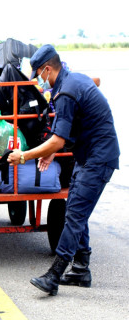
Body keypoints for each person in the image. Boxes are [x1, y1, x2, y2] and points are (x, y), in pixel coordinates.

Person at [7, 45, 119, 296]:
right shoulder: (72, 81)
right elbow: (65, 134)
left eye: (38, 74)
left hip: (98, 158)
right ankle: (80, 269)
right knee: (74, 209)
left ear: (48, 69)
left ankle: (54, 275)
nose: (38, 80)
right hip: (89, 155)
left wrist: (23, 155)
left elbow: (58, 139)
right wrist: (52, 151)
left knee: (75, 214)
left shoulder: (66, 92)